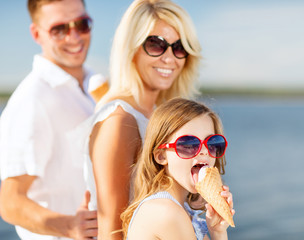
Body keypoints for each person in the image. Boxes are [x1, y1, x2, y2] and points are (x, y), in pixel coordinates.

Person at [80, 0, 202, 239]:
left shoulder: (156, 112)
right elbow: (111, 232)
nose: (170, 58)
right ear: (131, 48)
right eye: (156, 45)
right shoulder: (118, 122)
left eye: (179, 47)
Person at [0, 0, 99, 239]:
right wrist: (69, 226)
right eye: (59, 29)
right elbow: (10, 202)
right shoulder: (33, 99)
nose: (74, 37)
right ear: (37, 33)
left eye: (82, 24)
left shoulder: (94, 82)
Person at [121, 98, 235, 240]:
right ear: (161, 156)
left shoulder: (183, 211)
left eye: (212, 143)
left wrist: (218, 231)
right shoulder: (166, 212)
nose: (204, 151)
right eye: (189, 144)